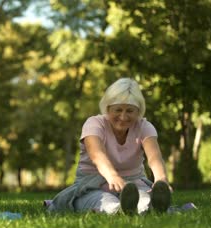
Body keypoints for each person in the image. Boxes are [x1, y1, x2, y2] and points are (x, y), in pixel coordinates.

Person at [47, 78, 172, 215]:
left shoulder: (144, 127)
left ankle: (150, 206)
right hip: (93, 185)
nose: (123, 117)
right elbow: (97, 155)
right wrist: (112, 176)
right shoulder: (94, 124)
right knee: (105, 201)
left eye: (130, 111)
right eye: (118, 110)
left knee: (143, 199)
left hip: (134, 185)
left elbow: (154, 157)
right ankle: (119, 210)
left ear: (138, 112)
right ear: (107, 109)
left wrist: (161, 178)